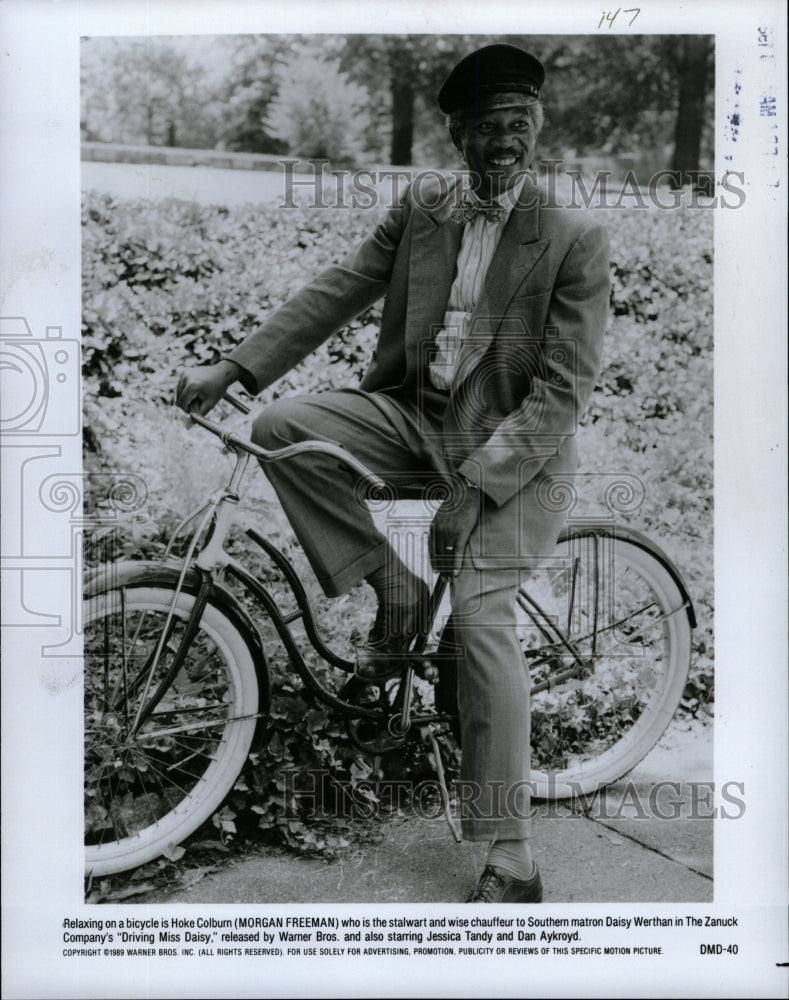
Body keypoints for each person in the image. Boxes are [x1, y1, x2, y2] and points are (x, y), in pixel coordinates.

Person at [176, 43, 610, 903]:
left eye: (518, 126)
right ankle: (395, 589)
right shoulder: (426, 207)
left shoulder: (571, 236)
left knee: (481, 622)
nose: (502, 145)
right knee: (283, 427)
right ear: (455, 135)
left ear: (538, 126)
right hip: (417, 418)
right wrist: (234, 367)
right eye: (485, 129)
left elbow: (561, 393)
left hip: (517, 457)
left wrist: (474, 489)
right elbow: (338, 287)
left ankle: (509, 850)